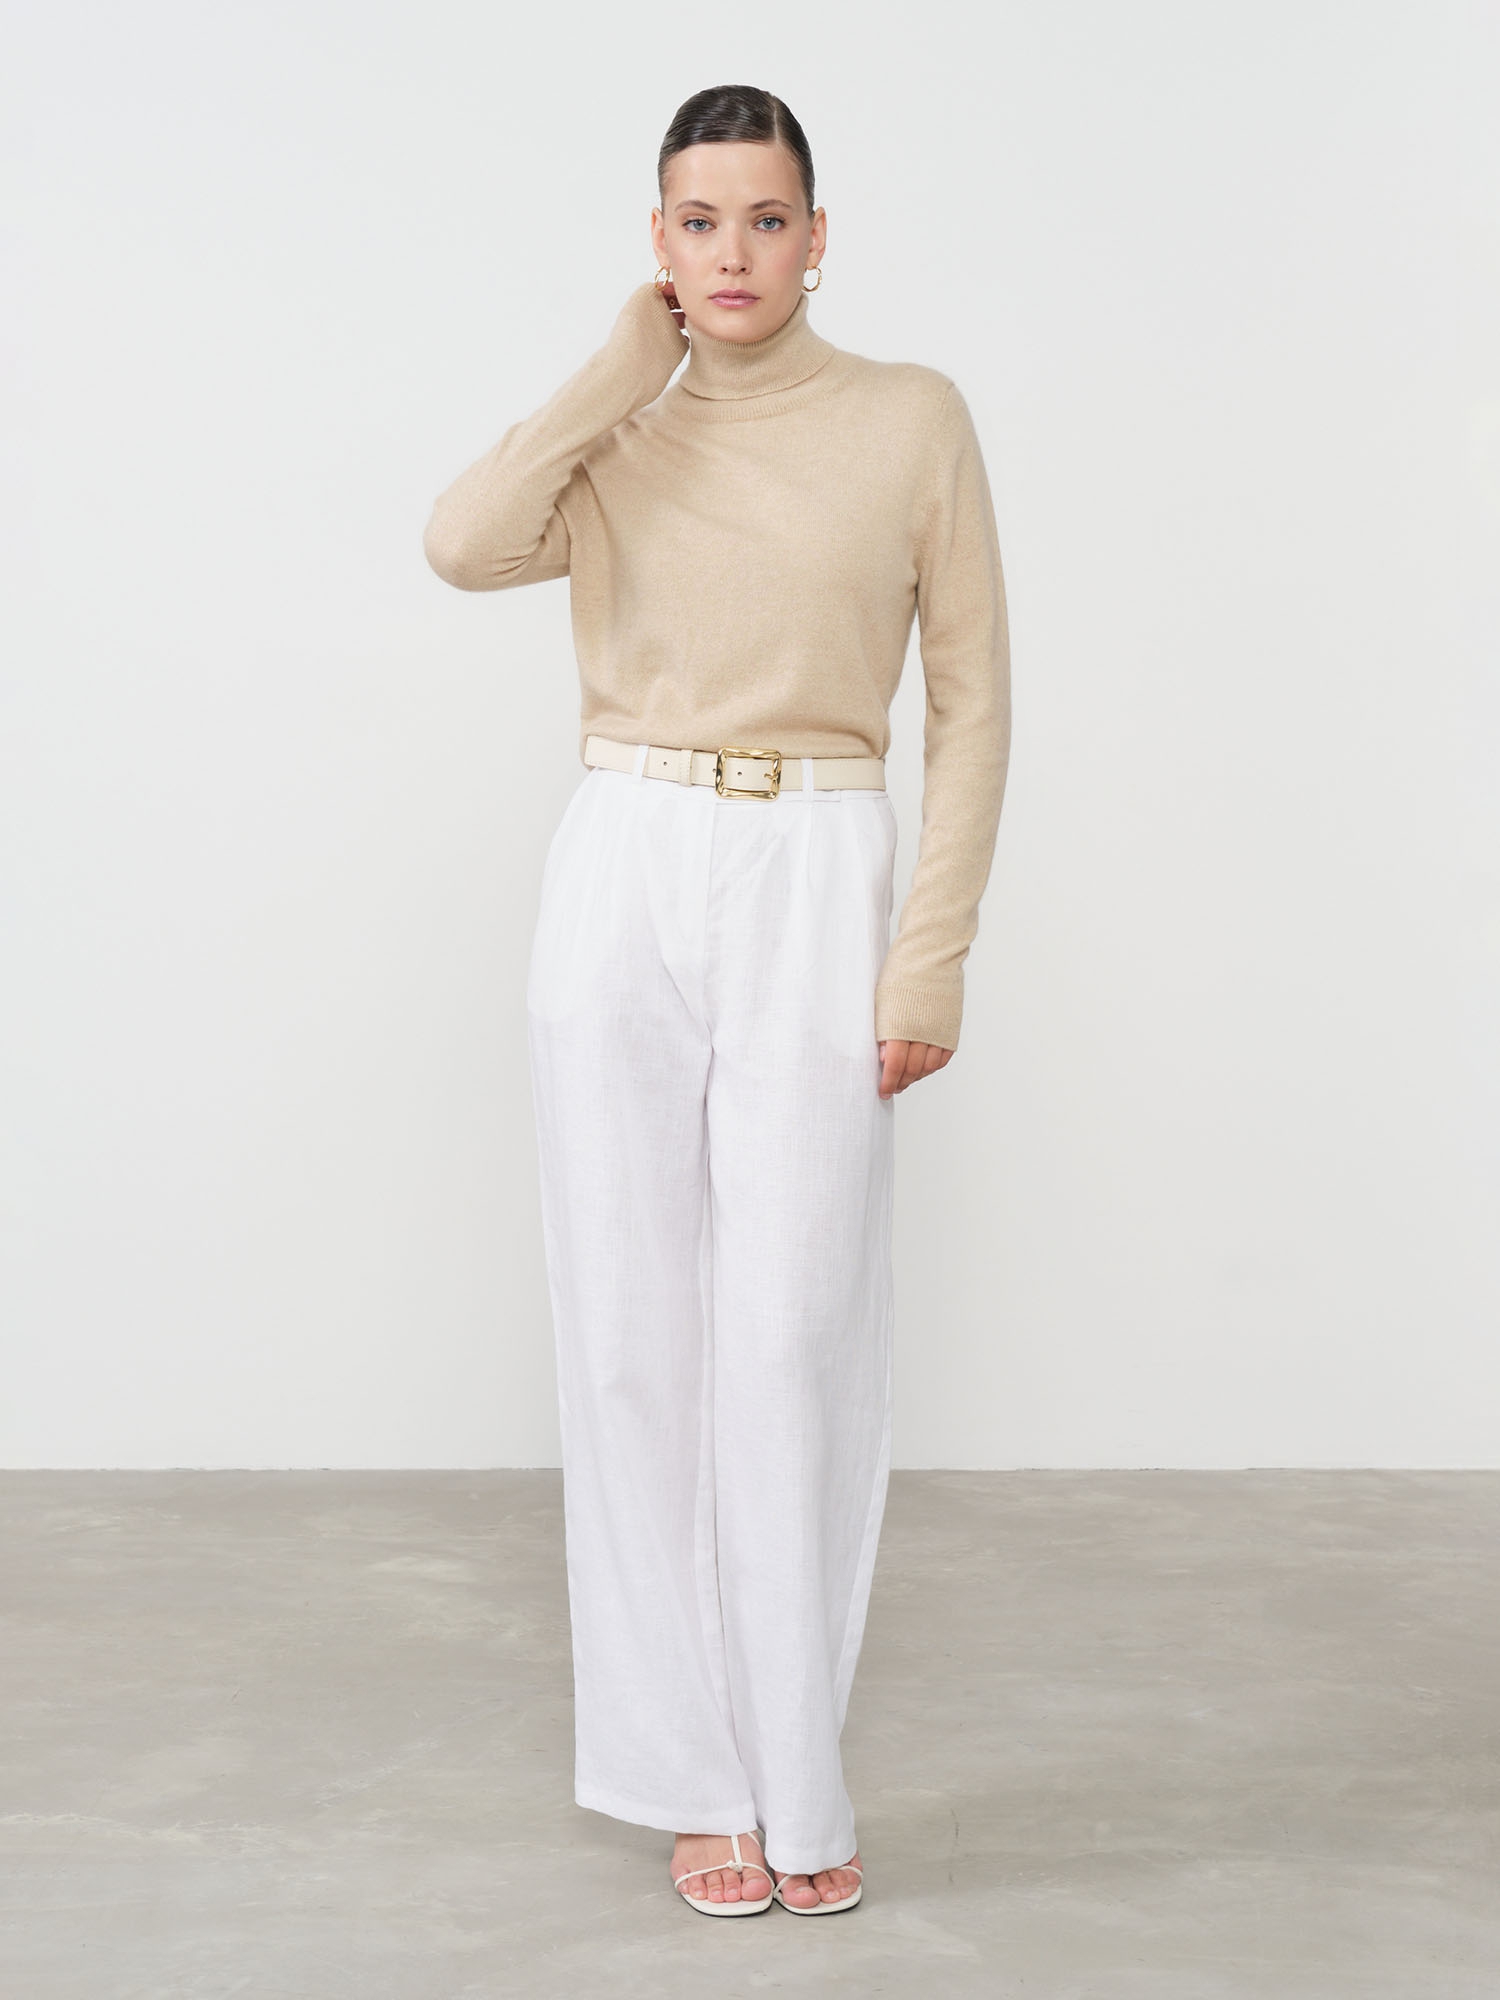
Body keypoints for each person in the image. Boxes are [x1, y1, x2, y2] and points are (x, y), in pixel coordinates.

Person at [423, 83, 1011, 1920]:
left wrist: (931, 949)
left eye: (766, 219)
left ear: (819, 238)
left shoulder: (913, 419)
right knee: (629, 1336)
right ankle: (693, 1777)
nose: (734, 253)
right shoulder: (619, 435)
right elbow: (463, 542)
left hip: (818, 866)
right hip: (625, 857)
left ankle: (796, 1775)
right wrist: (622, 366)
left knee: (788, 1336)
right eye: (699, 222)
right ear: (659, 244)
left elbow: (974, 699)